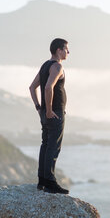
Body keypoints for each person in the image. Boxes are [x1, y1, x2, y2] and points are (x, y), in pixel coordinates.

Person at [29, 38, 70, 194]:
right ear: (59, 50)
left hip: (46, 114)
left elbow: (32, 87)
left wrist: (39, 108)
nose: (68, 52)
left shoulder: (45, 66)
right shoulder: (57, 66)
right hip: (54, 114)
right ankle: (50, 183)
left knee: (45, 146)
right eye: (66, 49)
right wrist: (49, 110)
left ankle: (42, 181)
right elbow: (48, 88)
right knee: (53, 148)